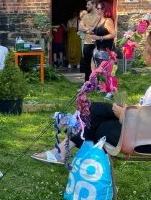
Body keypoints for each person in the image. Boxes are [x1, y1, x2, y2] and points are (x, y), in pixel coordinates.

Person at [31, 31, 151, 165]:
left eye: (146, 49)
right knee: (93, 116)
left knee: (95, 124)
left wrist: (124, 114)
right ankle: (67, 155)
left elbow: (145, 122)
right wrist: (129, 109)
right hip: (141, 136)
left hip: (141, 140)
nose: (143, 52)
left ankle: (64, 154)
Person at [78, 0, 100, 81]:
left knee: (97, 64)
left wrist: (88, 28)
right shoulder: (86, 16)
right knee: (87, 64)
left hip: (96, 44)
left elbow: (97, 28)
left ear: (94, 5)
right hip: (87, 43)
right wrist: (88, 29)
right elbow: (80, 27)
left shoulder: (98, 17)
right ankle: (87, 83)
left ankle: (98, 83)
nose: (86, 6)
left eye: (88, 4)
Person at [90, 2, 116, 68]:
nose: (96, 9)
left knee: (103, 75)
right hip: (97, 50)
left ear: (103, 10)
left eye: (98, 8)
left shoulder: (108, 20)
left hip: (105, 52)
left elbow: (113, 34)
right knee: (97, 74)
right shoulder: (99, 20)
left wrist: (100, 37)